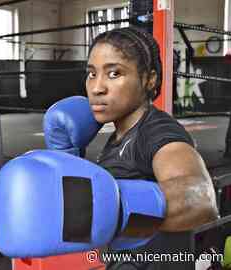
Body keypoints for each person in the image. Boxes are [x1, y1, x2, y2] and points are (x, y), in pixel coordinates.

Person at [84, 26, 219, 269]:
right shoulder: (120, 133)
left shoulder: (157, 132)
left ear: (149, 79)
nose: (97, 88)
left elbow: (200, 199)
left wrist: (103, 207)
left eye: (114, 73)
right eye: (92, 74)